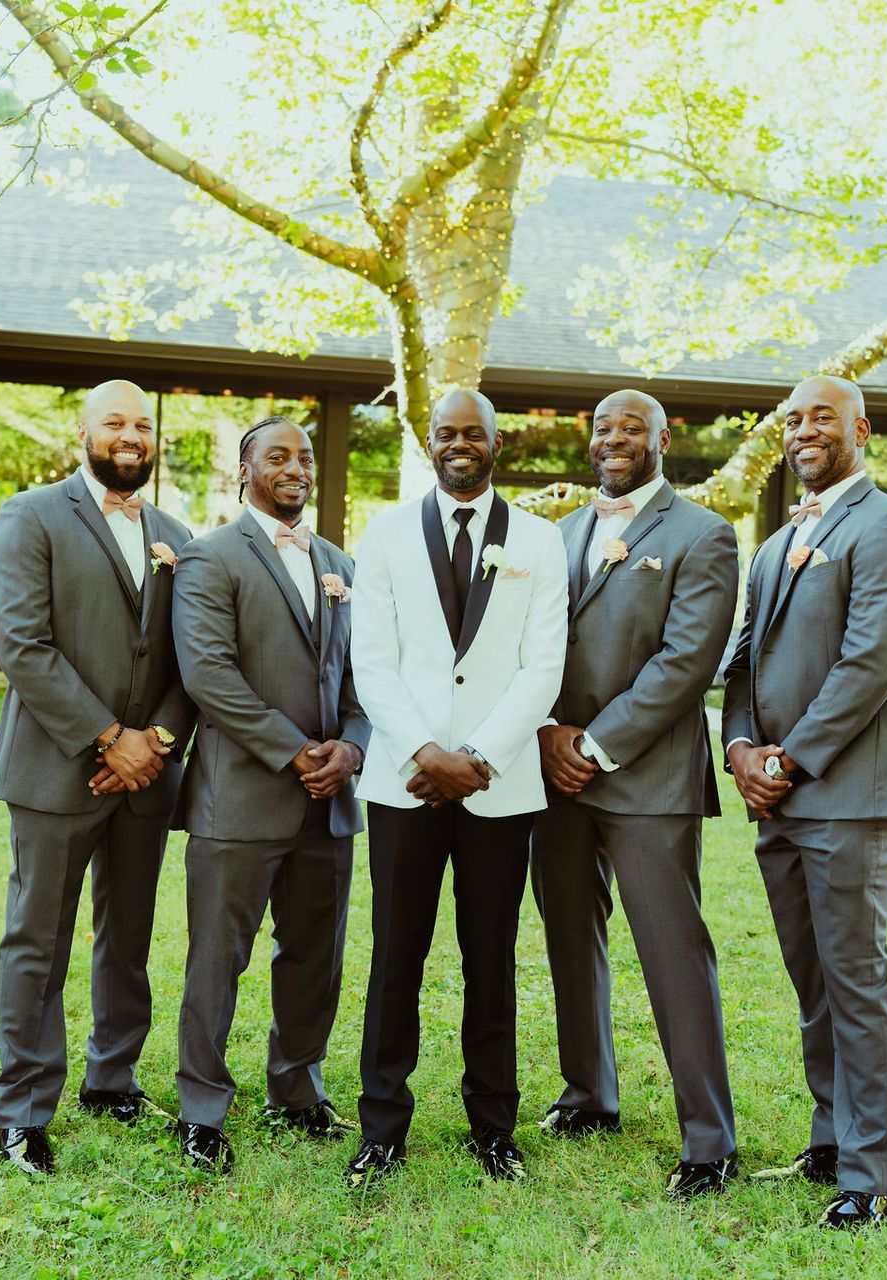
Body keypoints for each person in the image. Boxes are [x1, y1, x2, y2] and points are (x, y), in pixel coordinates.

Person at [721, 374, 887, 1228]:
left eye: (822, 416)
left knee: (854, 978)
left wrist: (790, 760)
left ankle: (872, 1175)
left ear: (861, 429)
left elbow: (868, 667)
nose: (805, 429)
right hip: (776, 796)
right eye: (793, 419)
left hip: (847, 792)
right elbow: (741, 660)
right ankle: (830, 1139)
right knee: (811, 978)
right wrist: (739, 749)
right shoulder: (774, 543)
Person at [345, 388, 568, 1186]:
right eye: (447, 433)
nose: (460, 444)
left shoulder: (541, 541)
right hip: (406, 781)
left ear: (497, 444)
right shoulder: (386, 533)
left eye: (474, 433)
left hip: (498, 788)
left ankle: (494, 1127)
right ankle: (381, 1128)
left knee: (491, 957)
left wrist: (477, 756)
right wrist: (427, 753)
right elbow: (371, 658)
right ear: (429, 442)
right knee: (395, 956)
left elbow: (544, 666)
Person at [531, 389, 744, 1199]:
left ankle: (709, 1142)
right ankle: (589, 1097)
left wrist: (597, 742)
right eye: (601, 429)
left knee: (673, 953)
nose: (614, 440)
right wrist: (551, 731)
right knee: (568, 939)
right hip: (554, 777)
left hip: (647, 779)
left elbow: (687, 663)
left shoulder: (702, 535)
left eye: (631, 428)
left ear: (664, 439)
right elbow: (536, 643)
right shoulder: (560, 536)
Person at [0, 379, 195, 1176]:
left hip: (148, 776)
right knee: (38, 939)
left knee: (128, 935)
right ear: (83, 433)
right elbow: (23, 646)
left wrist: (156, 741)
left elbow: (191, 658)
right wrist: (109, 739)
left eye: (143, 423)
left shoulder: (178, 534)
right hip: (56, 771)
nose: (131, 434)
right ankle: (24, 1109)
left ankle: (114, 1078)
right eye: (115, 421)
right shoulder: (31, 516)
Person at [164, 416, 369, 1175]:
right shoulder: (209, 557)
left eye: (305, 458)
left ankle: (298, 1090)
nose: (295, 468)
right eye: (277, 456)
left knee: (316, 958)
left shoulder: (339, 562)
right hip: (241, 800)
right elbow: (208, 675)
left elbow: (363, 676)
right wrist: (294, 752)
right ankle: (201, 1109)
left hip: (330, 800)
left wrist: (350, 746)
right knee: (218, 960)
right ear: (243, 471)